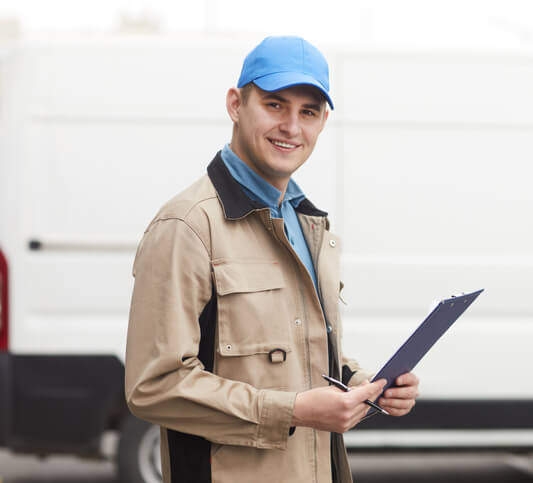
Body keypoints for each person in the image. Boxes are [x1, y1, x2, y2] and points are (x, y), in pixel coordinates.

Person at [125, 35, 420, 483]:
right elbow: (154, 387)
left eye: (309, 112)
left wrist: (365, 383)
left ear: (324, 121)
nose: (292, 127)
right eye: (275, 105)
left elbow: (299, 355)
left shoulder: (308, 225)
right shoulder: (187, 226)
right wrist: (293, 410)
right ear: (235, 104)